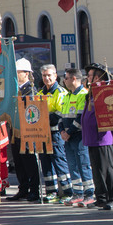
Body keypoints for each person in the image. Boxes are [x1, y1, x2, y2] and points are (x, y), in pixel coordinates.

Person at [81, 63, 113, 210]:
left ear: (97, 77)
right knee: (97, 170)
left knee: (109, 169)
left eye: (90, 75)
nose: (87, 78)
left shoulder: (104, 91)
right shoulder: (92, 92)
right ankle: (101, 198)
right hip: (92, 137)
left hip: (104, 137)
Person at [37, 64, 73, 203]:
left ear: (55, 76)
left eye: (49, 75)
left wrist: (44, 117)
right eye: (44, 75)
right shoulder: (40, 93)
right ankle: (51, 191)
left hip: (56, 133)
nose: (47, 78)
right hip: (42, 133)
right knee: (45, 163)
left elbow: (60, 114)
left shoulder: (60, 92)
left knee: (59, 162)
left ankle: (67, 191)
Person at [59, 68, 95, 207]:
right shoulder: (68, 95)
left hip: (78, 136)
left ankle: (89, 194)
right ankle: (77, 193)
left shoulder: (83, 94)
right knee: (72, 165)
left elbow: (80, 117)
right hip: (67, 137)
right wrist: (62, 131)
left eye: (66, 77)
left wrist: (69, 132)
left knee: (83, 165)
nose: (64, 80)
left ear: (74, 78)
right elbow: (62, 117)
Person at [7, 58, 40, 202]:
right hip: (15, 128)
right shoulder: (16, 89)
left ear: (26, 74)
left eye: (18, 72)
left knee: (28, 161)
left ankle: (34, 189)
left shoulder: (30, 89)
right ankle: (23, 188)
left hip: (26, 130)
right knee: (18, 161)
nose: (15, 75)